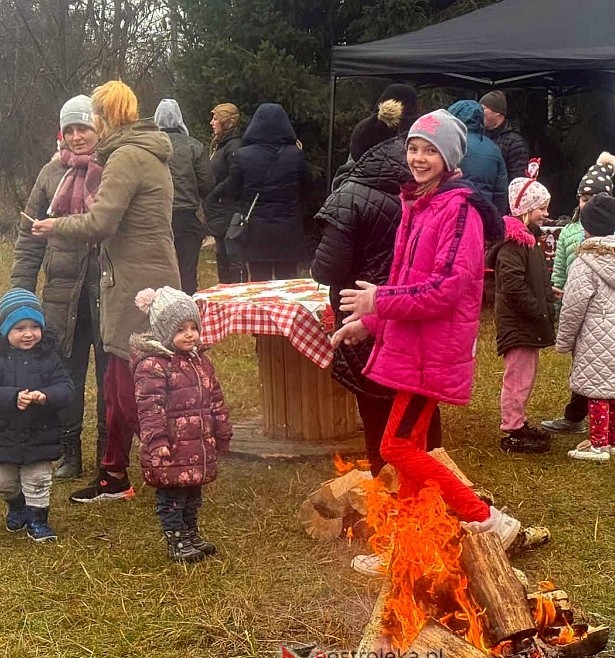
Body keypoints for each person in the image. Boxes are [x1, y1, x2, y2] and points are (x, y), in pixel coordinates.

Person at [331, 110, 548, 577]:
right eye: (413, 148)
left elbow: (447, 287)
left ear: (449, 157)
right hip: (411, 346)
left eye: (430, 150)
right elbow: (406, 279)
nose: (419, 157)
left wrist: (378, 301)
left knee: (397, 448)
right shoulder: (419, 203)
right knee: (407, 452)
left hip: (432, 352)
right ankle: (406, 550)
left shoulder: (459, 210)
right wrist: (371, 324)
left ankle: (488, 520)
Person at [30, 80, 182, 503]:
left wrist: (53, 226)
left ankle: (167, 467)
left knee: (127, 387)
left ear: (105, 117)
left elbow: (100, 223)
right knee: (123, 384)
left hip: (135, 287)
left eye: (92, 117)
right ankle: (115, 474)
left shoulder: (126, 158)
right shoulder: (146, 153)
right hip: (144, 280)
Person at [312, 98, 441, 471]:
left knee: (374, 396)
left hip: (364, 310)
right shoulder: (423, 188)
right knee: (418, 397)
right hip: (415, 309)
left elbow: (327, 269)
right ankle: (431, 475)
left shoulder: (350, 195)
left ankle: (386, 481)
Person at [11, 94, 107, 481]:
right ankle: (69, 449)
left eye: (83, 127)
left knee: (110, 378)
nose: (77, 136)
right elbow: (28, 236)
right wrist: (20, 292)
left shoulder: (113, 171)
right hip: (61, 296)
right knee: (65, 376)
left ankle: (108, 452)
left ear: (98, 128)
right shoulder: (50, 176)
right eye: (69, 130)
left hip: (106, 292)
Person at [541, 152, 615, 444]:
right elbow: (561, 269)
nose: (585, 202)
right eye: (582, 197)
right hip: (602, 320)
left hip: (600, 317)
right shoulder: (570, 231)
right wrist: (557, 291)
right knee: (591, 368)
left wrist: (567, 332)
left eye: (592, 198)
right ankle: (575, 416)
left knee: (604, 374)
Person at [131, 287, 231, 563]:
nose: (190, 334)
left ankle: (190, 532)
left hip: (197, 445)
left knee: (193, 493)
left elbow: (215, 399)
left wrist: (222, 430)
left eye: (192, 327)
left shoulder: (200, 362)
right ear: (164, 332)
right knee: (172, 496)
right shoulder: (153, 365)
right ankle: (175, 538)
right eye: (180, 329)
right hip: (172, 446)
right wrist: (157, 442)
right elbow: (150, 408)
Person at [0, 289, 74, 542]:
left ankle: (38, 520)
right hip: (3, 431)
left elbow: (66, 388)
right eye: (19, 328)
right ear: (5, 330)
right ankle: (17, 504)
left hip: (41, 431)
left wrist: (46, 396)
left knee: (38, 479)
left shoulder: (49, 357)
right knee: (0, 482)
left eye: (34, 327)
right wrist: (12, 396)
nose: (28, 334)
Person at [553, 193, 615, 462]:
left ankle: (598, 444)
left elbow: (573, 305)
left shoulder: (584, 262)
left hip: (594, 333)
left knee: (596, 391)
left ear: (586, 227)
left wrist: (564, 340)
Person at [207, 103, 312, 282]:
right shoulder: (296, 155)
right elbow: (307, 189)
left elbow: (233, 190)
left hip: (256, 230)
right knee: (287, 283)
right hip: (288, 230)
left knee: (258, 282)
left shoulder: (243, 155)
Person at [490, 176, 555, 452]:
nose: (546, 213)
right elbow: (514, 285)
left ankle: (518, 421)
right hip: (519, 324)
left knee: (524, 377)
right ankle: (512, 429)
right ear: (526, 209)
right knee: (517, 378)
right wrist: (537, 310)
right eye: (542, 207)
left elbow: (528, 280)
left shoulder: (527, 242)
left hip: (526, 322)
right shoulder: (514, 246)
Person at [154, 99, 213, 294]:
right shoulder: (194, 146)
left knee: (159, 273)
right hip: (188, 218)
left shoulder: (150, 147)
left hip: (158, 217)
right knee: (187, 273)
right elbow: (207, 183)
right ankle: (189, 319)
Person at [205, 103, 246, 284]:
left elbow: (234, 177)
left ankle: (237, 292)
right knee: (221, 255)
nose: (212, 122)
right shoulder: (219, 145)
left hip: (229, 208)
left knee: (232, 255)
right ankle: (224, 288)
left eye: (216, 119)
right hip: (219, 209)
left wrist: (215, 192)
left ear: (226, 122)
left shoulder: (234, 146)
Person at [447, 100, 509, 214]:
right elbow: (501, 191)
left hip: (451, 212)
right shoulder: (494, 149)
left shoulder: (448, 144)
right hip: (484, 214)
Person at [480, 90, 528, 179]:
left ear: (497, 112)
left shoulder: (515, 142)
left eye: (482, 108)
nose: (479, 112)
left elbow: (517, 177)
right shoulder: (479, 136)